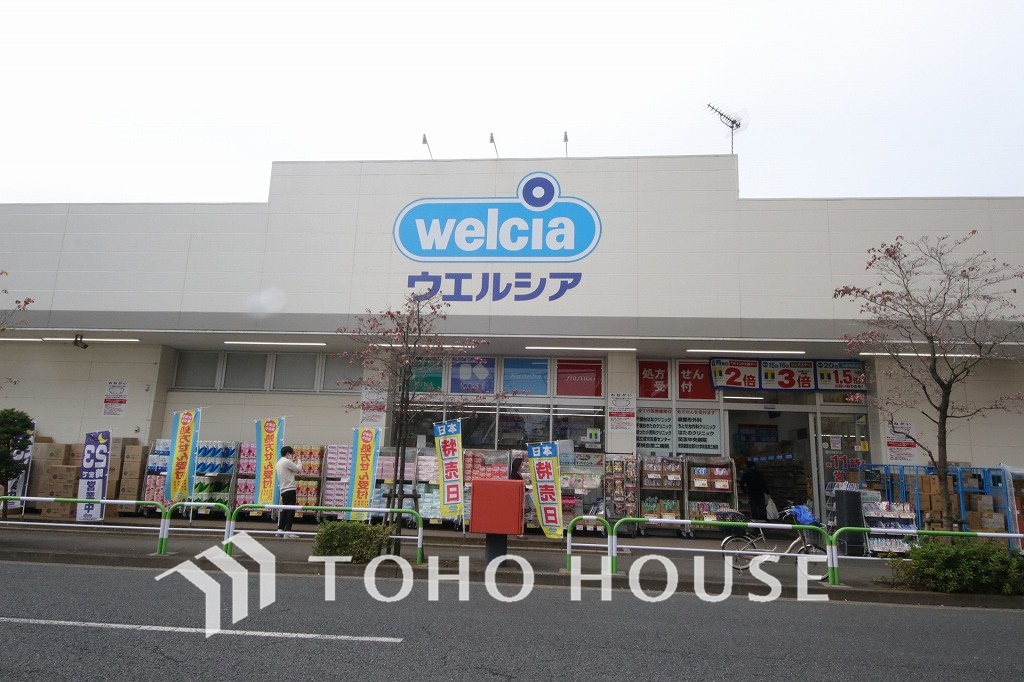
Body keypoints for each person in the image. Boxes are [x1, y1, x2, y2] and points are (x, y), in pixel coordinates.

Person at [275, 445, 301, 538]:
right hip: (290, 489)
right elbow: (298, 470)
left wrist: (292, 462)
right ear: (287, 454)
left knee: (285, 510)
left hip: (283, 489)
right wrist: (298, 460)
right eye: (291, 454)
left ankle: (280, 529)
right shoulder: (286, 462)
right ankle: (288, 531)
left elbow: (289, 470)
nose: (292, 455)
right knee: (290, 510)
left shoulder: (279, 463)